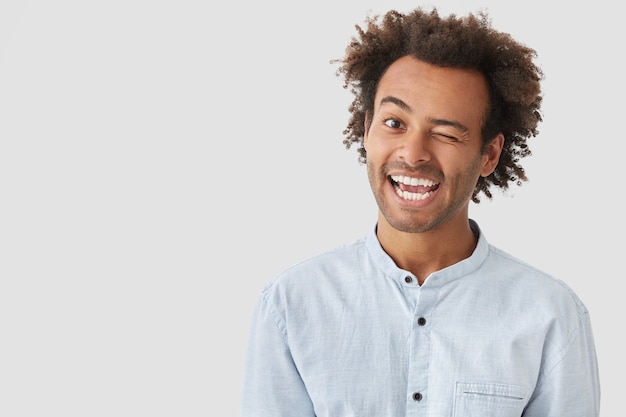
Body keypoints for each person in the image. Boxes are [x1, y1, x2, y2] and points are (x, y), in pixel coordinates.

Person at [240, 7, 600, 417]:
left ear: (489, 154)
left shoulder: (550, 315)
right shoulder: (292, 304)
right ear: (366, 129)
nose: (413, 154)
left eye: (446, 133)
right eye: (394, 123)